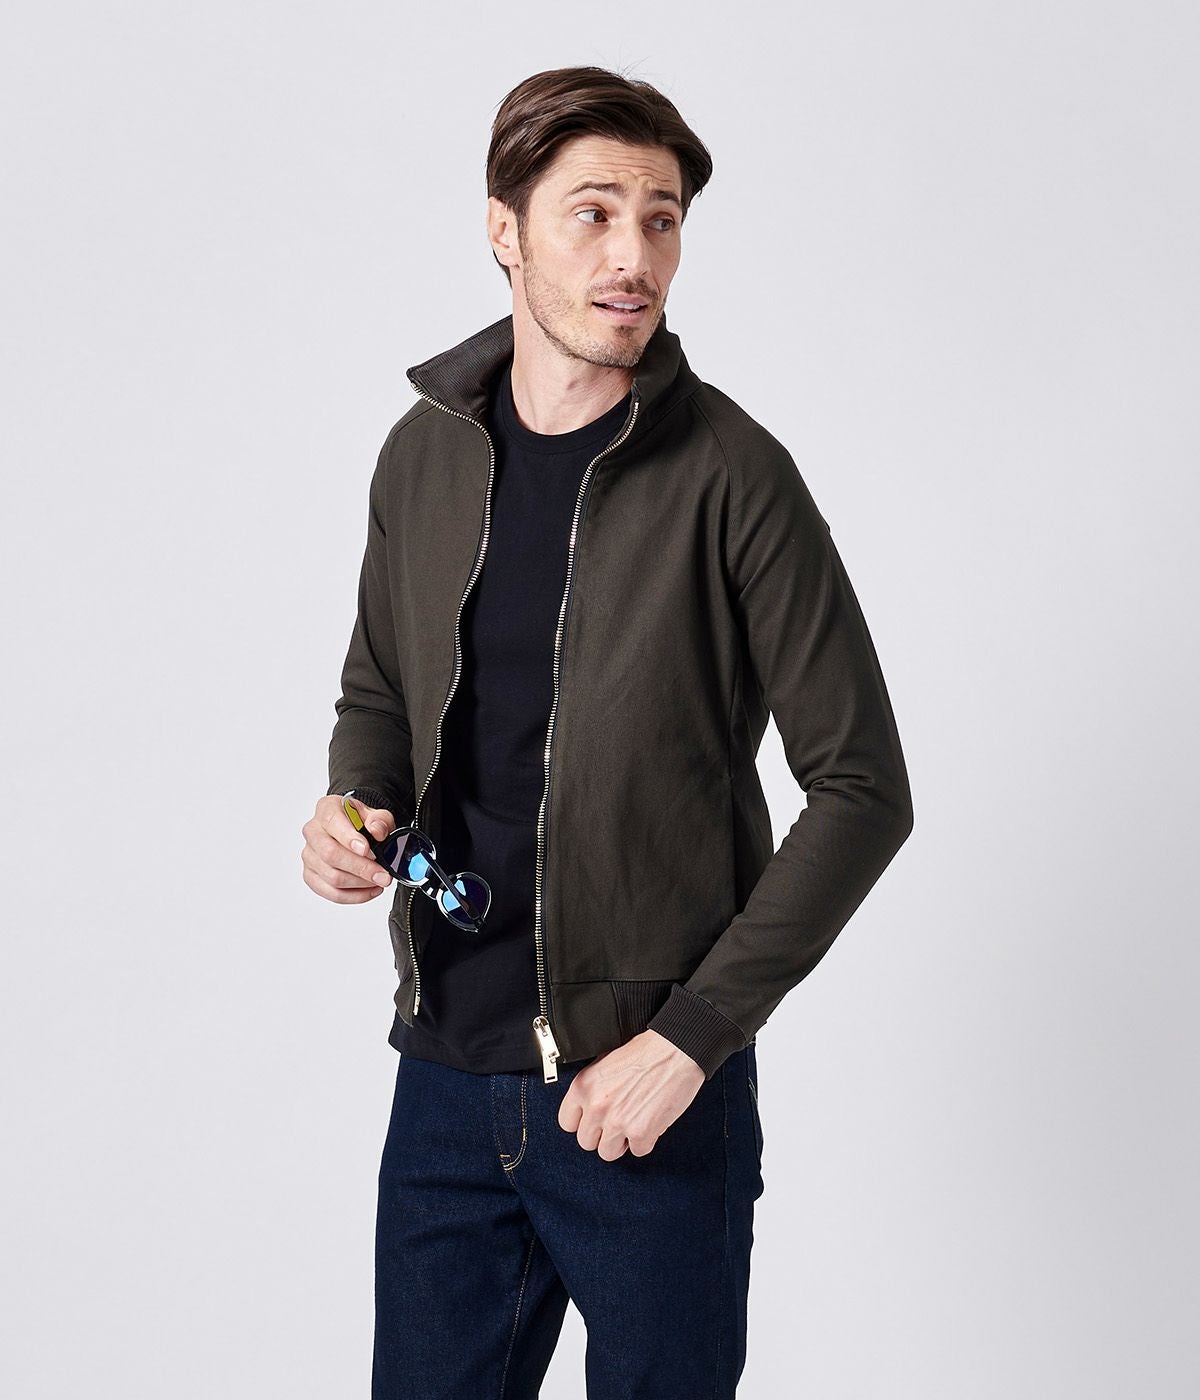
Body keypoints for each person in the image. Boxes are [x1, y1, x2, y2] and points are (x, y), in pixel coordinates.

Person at [300, 64, 913, 1400]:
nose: (635, 256)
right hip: (445, 1084)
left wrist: (692, 1039)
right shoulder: (422, 454)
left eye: (662, 218)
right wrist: (351, 804)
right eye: (593, 213)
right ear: (504, 229)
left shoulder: (735, 478)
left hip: (645, 1098)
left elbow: (864, 787)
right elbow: (379, 694)